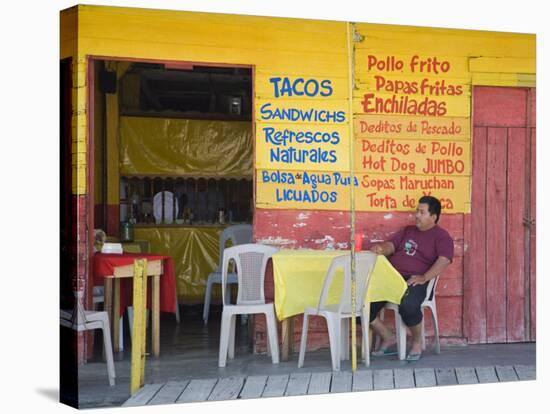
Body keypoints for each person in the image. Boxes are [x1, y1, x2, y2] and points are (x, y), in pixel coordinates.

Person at [368, 195, 454, 361]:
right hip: (392, 278)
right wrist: (381, 248)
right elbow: (390, 246)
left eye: (422, 212)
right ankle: (388, 336)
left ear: (433, 217)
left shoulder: (442, 236)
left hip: (415, 280)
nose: (417, 215)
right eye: (417, 211)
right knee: (361, 303)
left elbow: (444, 260)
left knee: (408, 306)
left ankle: (416, 342)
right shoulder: (408, 230)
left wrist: (424, 277)